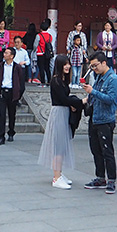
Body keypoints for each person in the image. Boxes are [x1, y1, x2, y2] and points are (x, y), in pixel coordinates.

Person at [39, 55, 81, 189]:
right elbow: (63, 99)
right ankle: (56, 177)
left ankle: (59, 174)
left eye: (68, 64)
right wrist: (80, 102)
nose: (68, 66)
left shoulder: (62, 80)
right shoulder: (56, 80)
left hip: (63, 112)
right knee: (58, 147)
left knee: (62, 146)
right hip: (58, 113)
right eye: (65, 64)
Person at [82, 51, 117, 194]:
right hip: (94, 117)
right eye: (92, 66)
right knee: (95, 150)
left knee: (107, 150)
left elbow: (110, 99)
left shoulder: (113, 79)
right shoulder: (97, 76)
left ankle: (111, 180)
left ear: (104, 63)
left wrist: (93, 92)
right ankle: (100, 177)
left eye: (95, 65)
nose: (94, 68)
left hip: (105, 120)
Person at [0, 47, 25, 145]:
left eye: (7, 53)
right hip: (3, 92)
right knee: (2, 115)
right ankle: (1, 136)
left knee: (12, 114)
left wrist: (18, 95)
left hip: (13, 93)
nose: (4, 54)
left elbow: (21, 83)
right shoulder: (0, 66)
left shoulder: (17, 67)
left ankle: (11, 132)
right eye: (4, 53)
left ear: (12, 56)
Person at [34, 19, 54, 86]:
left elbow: (35, 45)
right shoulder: (50, 36)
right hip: (47, 54)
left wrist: (34, 50)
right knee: (47, 68)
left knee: (41, 68)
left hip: (40, 53)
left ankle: (43, 82)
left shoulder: (38, 35)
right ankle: (49, 81)